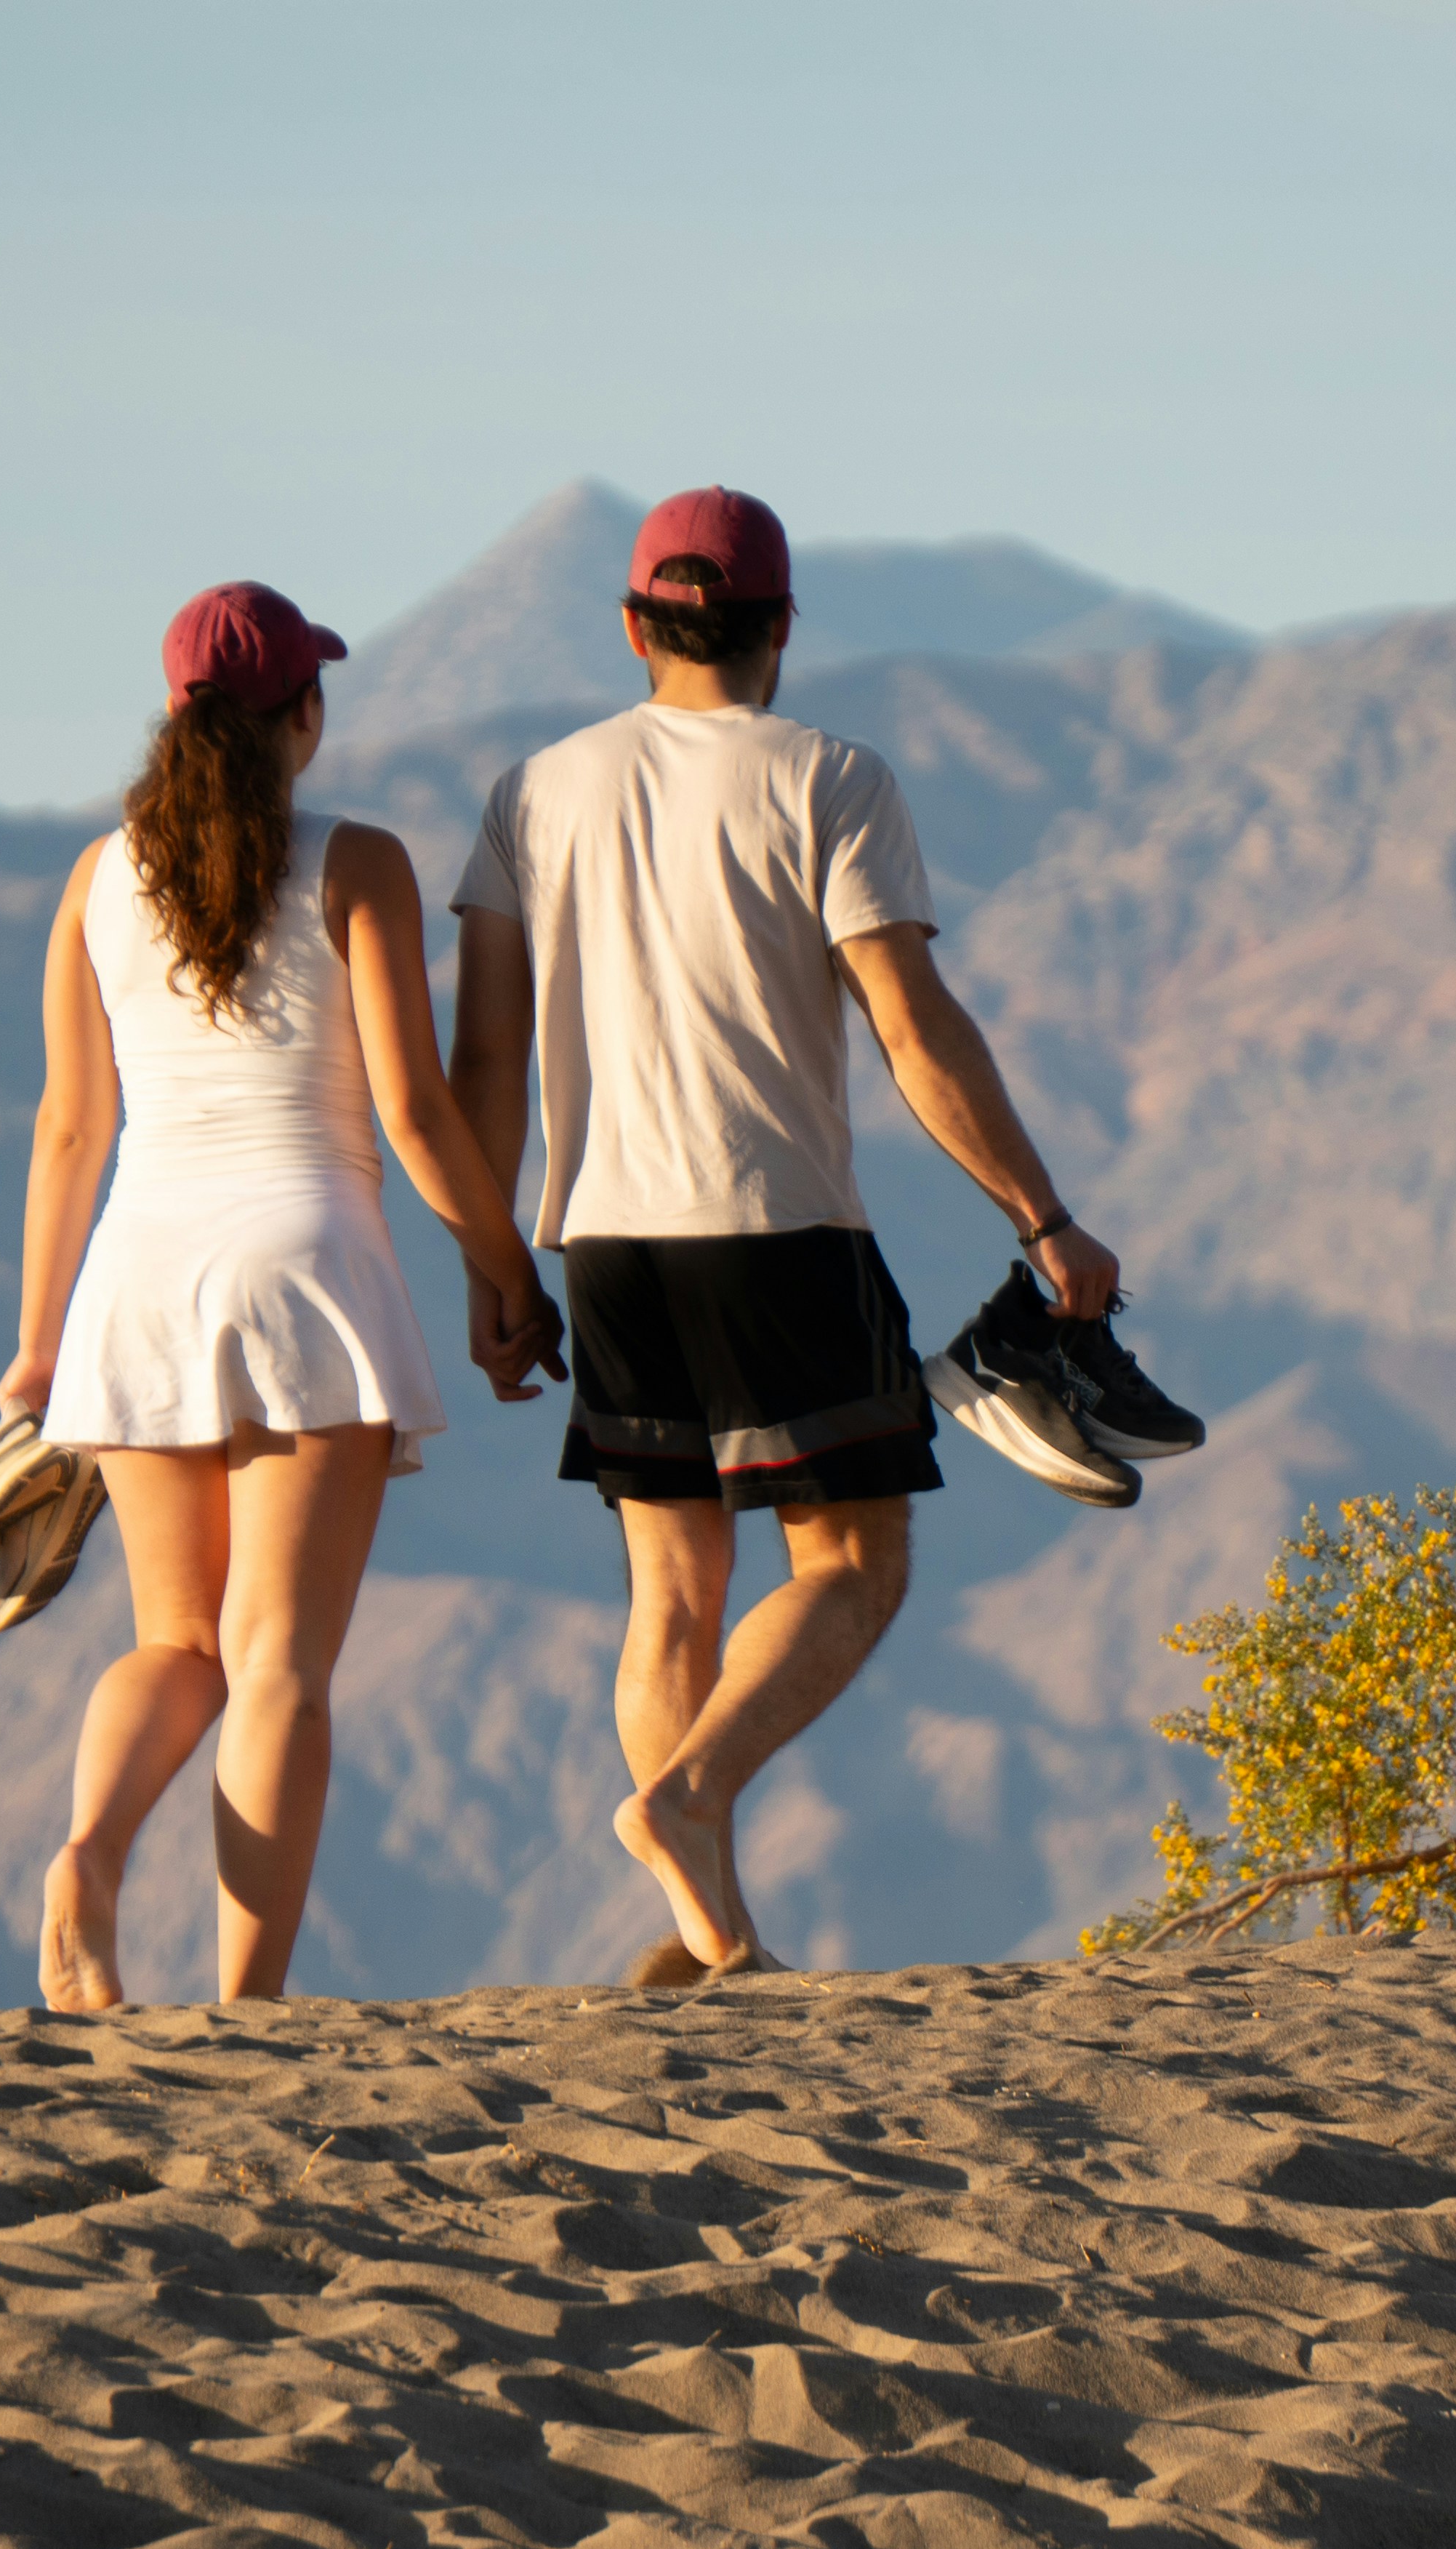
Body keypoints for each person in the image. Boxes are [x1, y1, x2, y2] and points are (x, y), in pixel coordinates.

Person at [446, 487, 1122, 1988]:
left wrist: (497, 1261)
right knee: (858, 1561)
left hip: (603, 1239)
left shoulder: (532, 793)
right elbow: (910, 1024)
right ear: (781, 629)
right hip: (778, 1226)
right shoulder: (833, 778)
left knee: (671, 1590)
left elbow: (484, 1062)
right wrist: (1043, 1214)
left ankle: (710, 1934)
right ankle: (684, 1802)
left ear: (635, 628)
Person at [0, 581, 566, 2012]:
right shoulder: (356, 861)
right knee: (280, 1665)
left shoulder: (96, 881)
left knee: (171, 1642)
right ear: (303, 713)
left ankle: (85, 1853)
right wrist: (509, 1273)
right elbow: (419, 1114)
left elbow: (70, 1129)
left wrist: (34, 1348)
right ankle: (249, 2008)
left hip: (138, 1274)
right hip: (307, 1266)